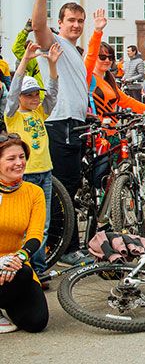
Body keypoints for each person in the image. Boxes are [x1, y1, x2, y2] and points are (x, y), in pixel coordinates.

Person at [30, 0, 88, 264]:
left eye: (80, 21)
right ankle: (65, 248)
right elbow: (39, 28)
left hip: (76, 124)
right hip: (60, 124)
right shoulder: (56, 44)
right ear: (60, 23)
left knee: (73, 185)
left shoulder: (75, 52)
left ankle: (66, 244)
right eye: (71, 20)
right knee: (64, 186)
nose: (76, 25)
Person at [3, 42, 60, 275]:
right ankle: (22, 267)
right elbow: (14, 89)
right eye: (30, 95)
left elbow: (53, 93)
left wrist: (52, 65)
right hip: (24, 175)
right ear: (21, 97)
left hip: (45, 172)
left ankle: (38, 269)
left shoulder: (39, 112)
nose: (35, 98)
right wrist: (25, 60)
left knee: (42, 225)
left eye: (36, 93)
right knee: (22, 225)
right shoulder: (12, 115)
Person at [0, 135, 50, 333]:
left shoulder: (34, 192)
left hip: (16, 263)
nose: (19, 163)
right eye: (11, 159)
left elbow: (36, 234)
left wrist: (20, 257)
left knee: (36, 322)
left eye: (22, 157)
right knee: (22, 273)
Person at [11, 20, 43, 88]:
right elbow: (17, 49)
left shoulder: (62, 57)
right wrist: (25, 31)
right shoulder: (35, 61)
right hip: (39, 96)